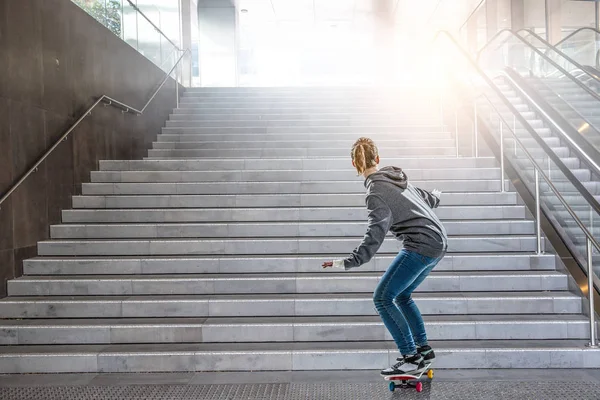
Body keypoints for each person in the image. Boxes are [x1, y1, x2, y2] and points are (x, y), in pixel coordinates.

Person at [322, 137, 447, 376]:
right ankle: (424, 349)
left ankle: (411, 357)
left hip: (421, 244)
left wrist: (347, 262)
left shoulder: (375, 192)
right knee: (402, 296)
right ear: (377, 159)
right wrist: (436, 196)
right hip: (438, 241)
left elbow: (374, 236)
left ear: (354, 165)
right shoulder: (396, 178)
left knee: (382, 298)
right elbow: (426, 199)